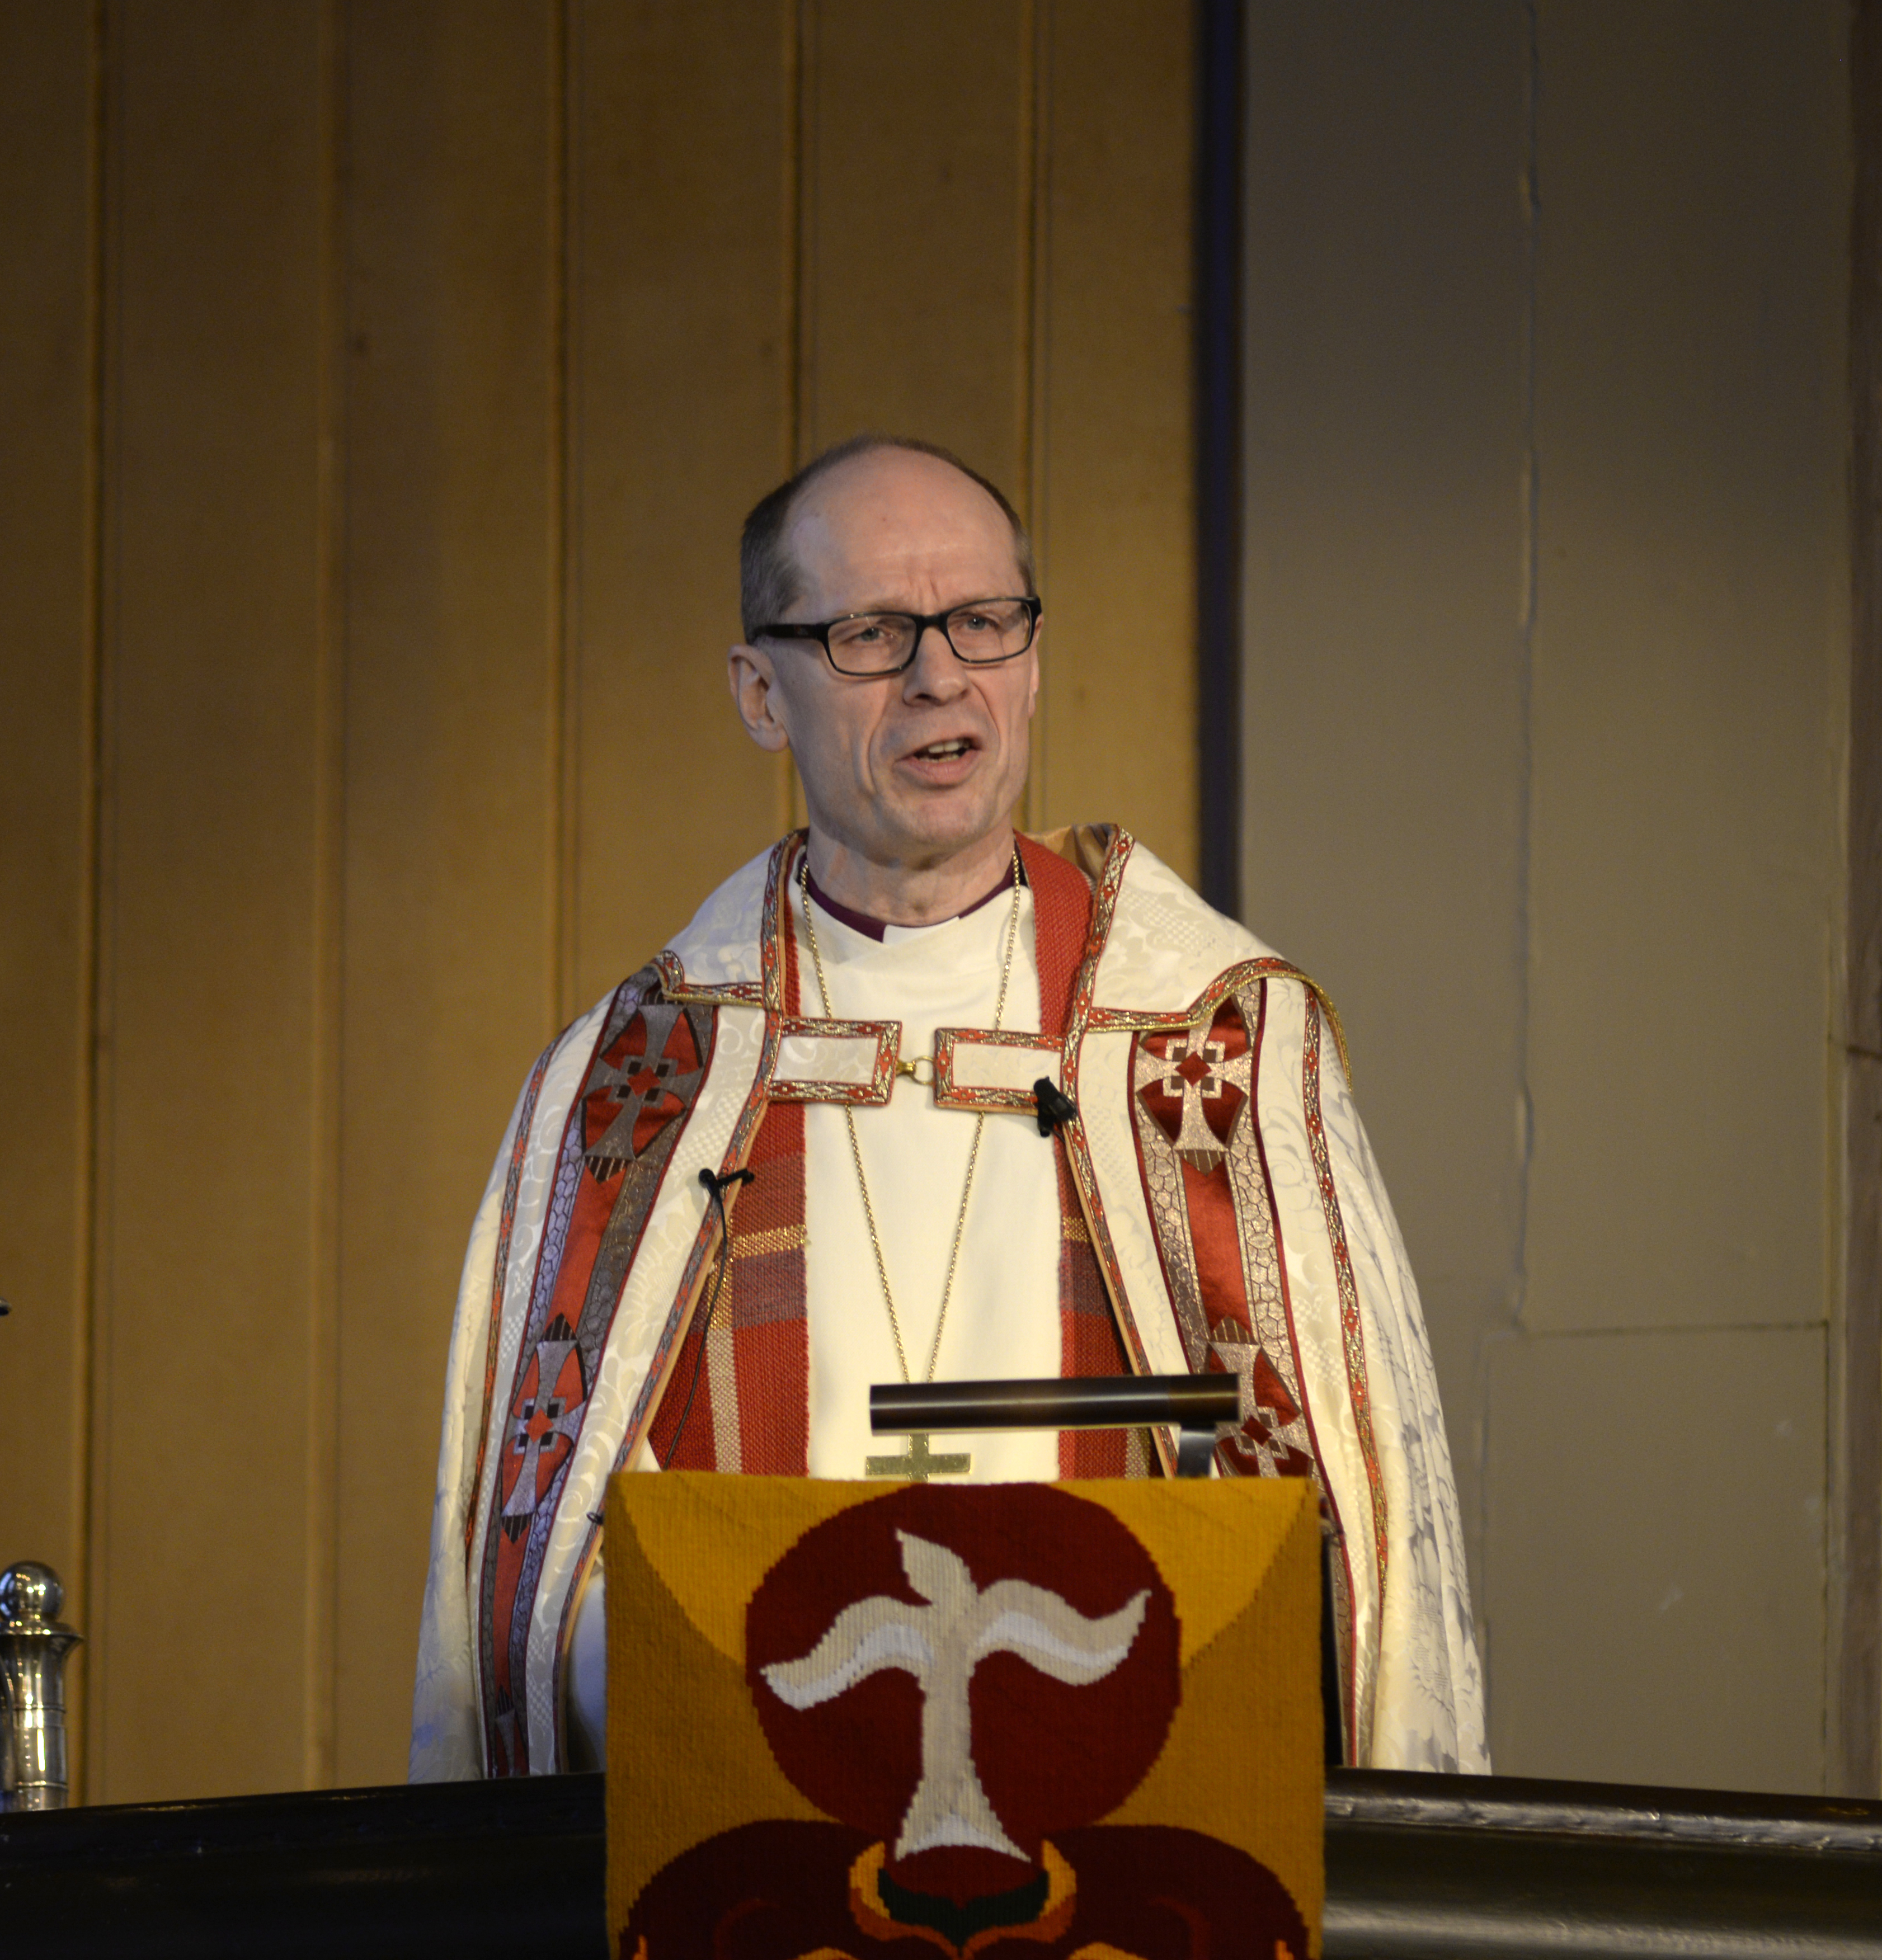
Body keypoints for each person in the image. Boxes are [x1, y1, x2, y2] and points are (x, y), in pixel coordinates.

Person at [410, 436, 1484, 1780]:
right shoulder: (633, 1086)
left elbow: (1362, 1573)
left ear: (1031, 662)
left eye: (983, 621)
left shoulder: (1215, 1049)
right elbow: (522, 1607)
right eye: (871, 632)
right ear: (760, 693)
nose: (940, 675)